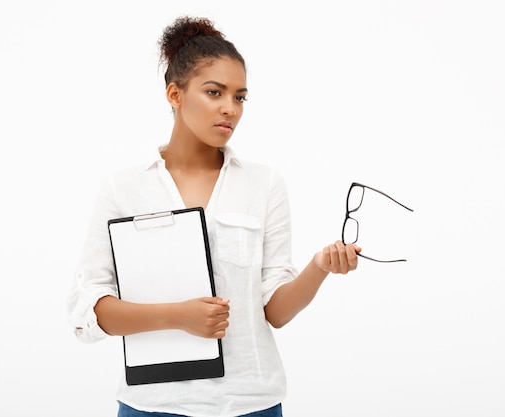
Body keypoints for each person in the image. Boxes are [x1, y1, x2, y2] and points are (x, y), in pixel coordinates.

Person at [67, 15, 361, 417]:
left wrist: (319, 267)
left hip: (251, 403)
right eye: (214, 92)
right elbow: (89, 311)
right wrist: (177, 316)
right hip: (154, 406)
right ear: (175, 94)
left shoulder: (265, 185)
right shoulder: (124, 189)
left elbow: (274, 311)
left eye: (240, 97)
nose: (230, 109)